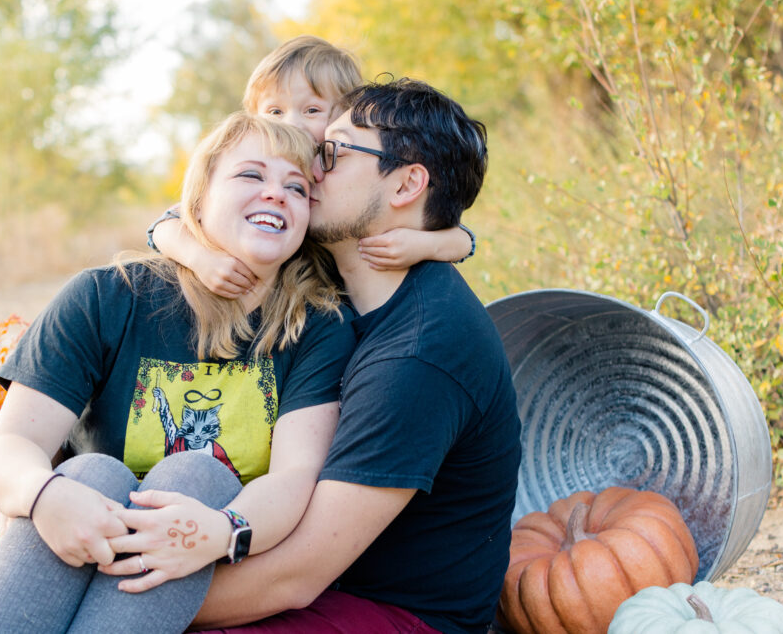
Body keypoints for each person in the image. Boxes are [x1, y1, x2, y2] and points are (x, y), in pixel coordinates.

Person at [0, 112, 355, 634]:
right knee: (89, 475)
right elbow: (12, 446)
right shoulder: (106, 297)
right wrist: (44, 497)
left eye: (296, 187)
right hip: (77, 540)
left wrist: (223, 531)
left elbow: (294, 479)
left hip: (207, 562)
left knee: (199, 472)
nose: (276, 194)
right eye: (251, 175)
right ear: (198, 200)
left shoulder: (317, 327)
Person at [151, 78, 519, 633]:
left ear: (406, 185)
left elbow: (293, 577)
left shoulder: (421, 351)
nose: (311, 166)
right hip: (317, 576)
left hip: (393, 613)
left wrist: (112, 589)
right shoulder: (331, 296)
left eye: (334, 151)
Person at [149, 35, 476, 298]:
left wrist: (424, 244)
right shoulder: (256, 182)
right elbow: (169, 221)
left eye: (311, 110)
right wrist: (201, 259)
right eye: (275, 111)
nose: (292, 123)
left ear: (343, 116)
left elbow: (463, 239)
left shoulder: (341, 183)